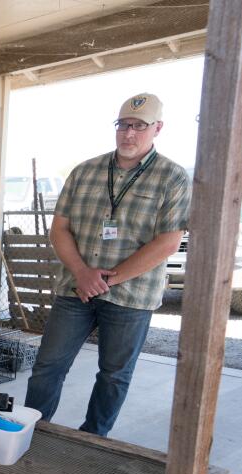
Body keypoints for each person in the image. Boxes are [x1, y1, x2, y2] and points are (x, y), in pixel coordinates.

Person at [24, 93, 191, 437]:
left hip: (131, 296)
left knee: (114, 374)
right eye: (123, 125)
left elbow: (168, 241)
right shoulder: (85, 172)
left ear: (157, 128)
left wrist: (107, 280)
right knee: (48, 365)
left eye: (139, 126)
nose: (129, 134)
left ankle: (93, 441)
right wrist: (84, 274)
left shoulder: (172, 177)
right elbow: (60, 228)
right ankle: (33, 432)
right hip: (76, 289)